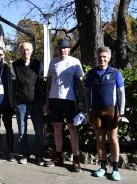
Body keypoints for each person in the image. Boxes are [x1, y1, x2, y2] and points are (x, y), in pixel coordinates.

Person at [43, 39, 84, 172]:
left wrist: (81, 101)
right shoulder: (53, 62)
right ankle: (58, 156)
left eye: (65, 48)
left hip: (70, 100)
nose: (62, 51)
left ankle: (76, 158)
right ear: (57, 50)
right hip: (54, 99)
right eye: (60, 48)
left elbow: (79, 84)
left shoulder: (75, 62)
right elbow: (49, 82)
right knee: (56, 127)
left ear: (69, 49)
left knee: (72, 128)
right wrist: (47, 100)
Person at [85, 46, 126, 181]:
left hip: (112, 112)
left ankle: (115, 169)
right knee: (100, 139)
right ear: (96, 58)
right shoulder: (91, 74)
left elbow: (121, 94)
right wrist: (87, 111)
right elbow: (87, 94)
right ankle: (102, 167)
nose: (102, 59)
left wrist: (122, 112)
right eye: (99, 57)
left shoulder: (116, 73)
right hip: (96, 112)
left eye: (104, 57)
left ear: (109, 58)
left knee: (113, 139)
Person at [12, 42, 44, 166]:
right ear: (20, 51)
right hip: (21, 102)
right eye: (24, 50)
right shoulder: (15, 65)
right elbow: (13, 84)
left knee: (39, 131)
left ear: (32, 51)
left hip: (36, 102)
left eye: (28, 50)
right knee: (22, 130)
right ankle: (25, 155)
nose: (26, 52)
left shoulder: (37, 64)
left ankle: (39, 156)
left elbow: (41, 82)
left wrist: (42, 101)